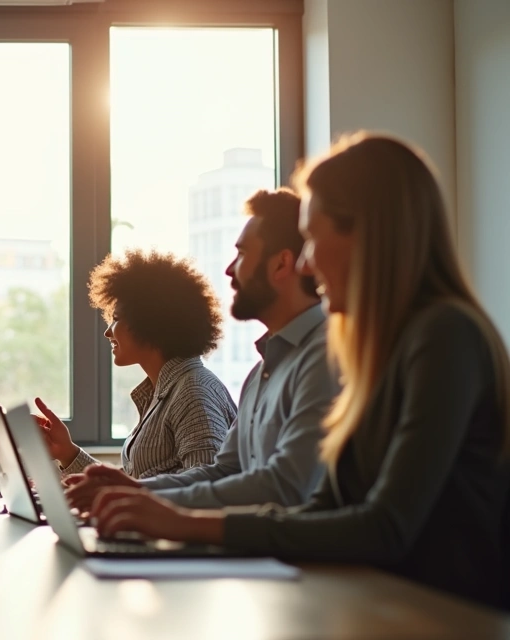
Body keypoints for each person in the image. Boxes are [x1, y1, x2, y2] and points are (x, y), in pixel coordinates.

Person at [89, 133, 510, 611]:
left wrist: (182, 521)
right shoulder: (379, 350)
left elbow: (385, 526)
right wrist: (152, 505)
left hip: (443, 618)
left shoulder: (444, 336)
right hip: (376, 605)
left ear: (368, 234)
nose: (306, 262)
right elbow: (322, 509)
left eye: (312, 238)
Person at [61, 189, 338, 511]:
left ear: (281, 264)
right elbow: (223, 471)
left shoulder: (324, 358)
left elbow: (283, 487)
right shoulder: (260, 373)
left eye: (243, 254)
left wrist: (149, 502)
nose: (229, 270)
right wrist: (134, 491)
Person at [36, 250, 236, 479]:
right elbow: (133, 484)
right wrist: (68, 453)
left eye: (117, 319)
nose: (107, 331)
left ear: (151, 320)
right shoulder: (166, 391)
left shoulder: (194, 392)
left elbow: (205, 487)